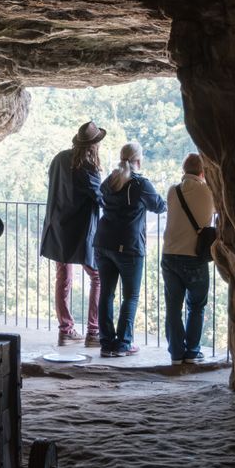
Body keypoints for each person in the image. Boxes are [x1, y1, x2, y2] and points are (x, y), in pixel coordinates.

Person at [93, 141, 166, 357]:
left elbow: (101, 199)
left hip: (103, 242)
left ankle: (106, 344)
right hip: (129, 246)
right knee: (130, 297)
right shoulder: (140, 184)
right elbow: (159, 205)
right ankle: (124, 344)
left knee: (106, 293)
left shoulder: (111, 180)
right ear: (139, 161)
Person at [40, 121, 105, 346]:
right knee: (97, 277)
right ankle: (94, 331)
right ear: (94, 145)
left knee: (63, 279)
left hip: (58, 227)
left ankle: (65, 329)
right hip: (81, 231)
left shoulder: (59, 159)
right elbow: (100, 197)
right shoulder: (87, 167)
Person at [161, 152, 216, 365]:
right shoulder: (209, 192)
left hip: (170, 254)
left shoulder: (172, 191)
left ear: (184, 171)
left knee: (173, 307)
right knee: (196, 305)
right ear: (202, 172)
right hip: (194, 256)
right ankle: (192, 352)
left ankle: (176, 353)